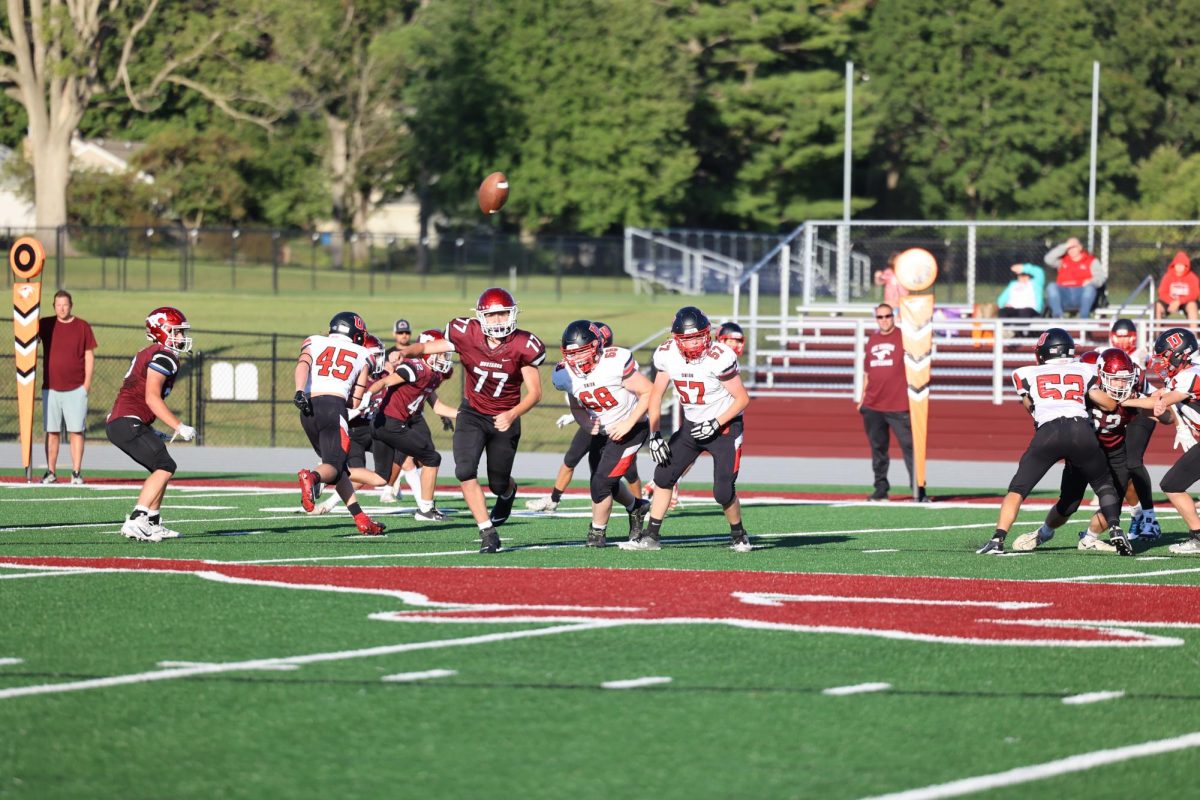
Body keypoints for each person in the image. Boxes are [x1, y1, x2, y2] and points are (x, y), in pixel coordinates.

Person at [395, 287, 545, 554]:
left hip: (505, 417)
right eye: (493, 315)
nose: (499, 320)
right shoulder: (466, 333)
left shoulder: (524, 345)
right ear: (481, 317)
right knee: (464, 471)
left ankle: (508, 492)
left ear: (512, 315)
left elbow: (535, 393)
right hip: (473, 413)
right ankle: (487, 531)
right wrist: (407, 351)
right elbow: (429, 346)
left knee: (498, 483)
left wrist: (512, 414)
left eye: (503, 314)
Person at [977, 328, 1128, 555]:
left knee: (1018, 489)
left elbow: (1031, 407)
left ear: (1043, 353)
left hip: (1048, 432)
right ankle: (1115, 528)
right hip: (1080, 430)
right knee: (1104, 484)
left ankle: (998, 539)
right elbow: (1109, 405)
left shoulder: (1024, 373)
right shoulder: (1086, 370)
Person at [1013, 348, 1169, 553]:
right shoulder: (1080, 395)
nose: (1121, 384)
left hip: (1114, 453)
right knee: (1069, 503)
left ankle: (1090, 538)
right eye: (1115, 379)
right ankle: (1044, 532)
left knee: (1113, 503)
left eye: (1124, 379)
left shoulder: (1130, 397)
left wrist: (1131, 402)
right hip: (1084, 452)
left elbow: (1166, 418)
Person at [622, 305, 751, 552]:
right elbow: (656, 394)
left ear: (707, 334)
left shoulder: (720, 357)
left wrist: (716, 422)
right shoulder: (667, 354)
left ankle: (739, 535)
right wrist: (656, 434)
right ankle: (651, 536)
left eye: (698, 338)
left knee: (723, 492)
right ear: (676, 339)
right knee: (663, 476)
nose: (693, 345)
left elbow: (742, 399)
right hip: (692, 426)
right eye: (687, 339)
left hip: (724, 427)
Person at [552, 320, 653, 547]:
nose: (577, 359)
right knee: (604, 481)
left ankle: (597, 533)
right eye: (572, 353)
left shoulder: (614, 361)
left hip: (631, 429)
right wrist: (584, 423)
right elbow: (577, 405)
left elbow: (649, 391)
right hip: (603, 431)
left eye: (582, 352)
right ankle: (637, 507)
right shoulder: (564, 374)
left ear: (596, 347)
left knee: (601, 483)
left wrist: (628, 423)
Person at [525, 321, 642, 513]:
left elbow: (640, 393)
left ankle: (638, 504)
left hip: (620, 423)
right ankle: (553, 499)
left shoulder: (614, 363)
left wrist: (631, 420)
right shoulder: (571, 371)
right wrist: (577, 417)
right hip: (593, 421)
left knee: (629, 471)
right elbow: (579, 397)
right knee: (572, 458)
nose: (580, 356)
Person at [104, 307, 197, 542]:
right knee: (165, 465)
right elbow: (151, 397)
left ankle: (153, 522)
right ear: (161, 331)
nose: (181, 337)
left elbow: (138, 395)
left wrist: (151, 428)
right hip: (126, 421)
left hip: (126, 420)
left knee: (161, 464)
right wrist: (178, 425)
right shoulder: (164, 356)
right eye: (176, 332)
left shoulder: (152, 352)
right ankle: (137, 519)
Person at [293, 311, 386, 536]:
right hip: (334, 407)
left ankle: (361, 518)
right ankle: (313, 478)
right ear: (356, 333)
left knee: (338, 466)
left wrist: (298, 392)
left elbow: (303, 365)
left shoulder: (314, 341)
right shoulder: (363, 354)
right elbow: (355, 400)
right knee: (333, 467)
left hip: (307, 408)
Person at [367, 329, 459, 522]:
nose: (444, 357)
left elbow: (438, 407)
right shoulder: (415, 367)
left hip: (385, 423)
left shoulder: (433, 375)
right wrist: (364, 396)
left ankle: (325, 476)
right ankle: (425, 510)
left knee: (381, 478)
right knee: (431, 457)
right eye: (440, 353)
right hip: (389, 423)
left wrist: (467, 415)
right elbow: (385, 382)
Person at [1125, 328, 1200, 554]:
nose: (1162, 362)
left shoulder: (1191, 374)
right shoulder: (1182, 376)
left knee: (1172, 484)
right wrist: (1146, 407)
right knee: (1172, 484)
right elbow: (1165, 415)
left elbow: (1162, 400)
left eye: (1165, 355)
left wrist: (1124, 400)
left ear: (1180, 353)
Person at [307, 334, 391, 515]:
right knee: (364, 477)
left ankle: (327, 473)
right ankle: (327, 478)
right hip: (352, 430)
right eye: (375, 356)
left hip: (372, 428)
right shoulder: (351, 376)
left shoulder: (382, 375)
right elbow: (348, 407)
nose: (378, 361)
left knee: (389, 469)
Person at [858, 303, 925, 502]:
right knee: (878, 449)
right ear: (876, 319)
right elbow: (867, 372)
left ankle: (918, 489)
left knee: (910, 447)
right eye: (880, 317)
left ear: (894, 316)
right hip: (873, 404)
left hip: (899, 404)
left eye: (888, 316)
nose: (884, 320)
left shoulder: (904, 337)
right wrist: (861, 398)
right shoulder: (872, 339)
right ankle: (880, 488)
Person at [1108, 319, 1163, 540]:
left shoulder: (1140, 353)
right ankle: (1137, 515)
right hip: (1115, 410)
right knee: (1120, 466)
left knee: (1132, 461)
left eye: (1126, 335)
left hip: (1139, 406)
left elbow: (1154, 370)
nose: (1122, 339)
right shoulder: (1102, 352)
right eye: (1118, 335)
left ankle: (1150, 518)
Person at [38, 290, 98, 484]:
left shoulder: (82, 326)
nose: (61, 308)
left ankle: (76, 472)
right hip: (51, 388)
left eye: (65, 304)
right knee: (52, 432)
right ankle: (51, 472)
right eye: (58, 305)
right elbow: (27, 341)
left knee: (76, 431)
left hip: (76, 389)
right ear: (53, 306)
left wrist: (86, 385)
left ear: (71, 305)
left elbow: (89, 355)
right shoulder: (45, 324)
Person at [1044, 237, 1106, 318]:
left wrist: (1091, 281)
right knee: (1051, 286)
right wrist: (1064, 246)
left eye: (1074, 247)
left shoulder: (1091, 261)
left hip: (1082, 293)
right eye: (1069, 248)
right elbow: (1048, 259)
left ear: (1080, 247)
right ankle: (1058, 317)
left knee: (1090, 288)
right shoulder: (1062, 261)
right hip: (1064, 294)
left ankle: (1084, 317)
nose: (1071, 250)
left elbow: (1100, 278)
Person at [1155, 251, 1199, 322]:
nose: (1179, 267)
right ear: (1174, 265)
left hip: (1186, 302)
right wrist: (1172, 301)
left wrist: (1179, 301)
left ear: (1186, 266)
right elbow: (1162, 293)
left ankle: (1193, 332)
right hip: (1170, 301)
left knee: (1192, 306)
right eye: (1177, 264)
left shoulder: (1192, 277)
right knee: (1158, 306)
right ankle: (1156, 332)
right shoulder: (1168, 276)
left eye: (1182, 265)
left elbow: (1194, 294)